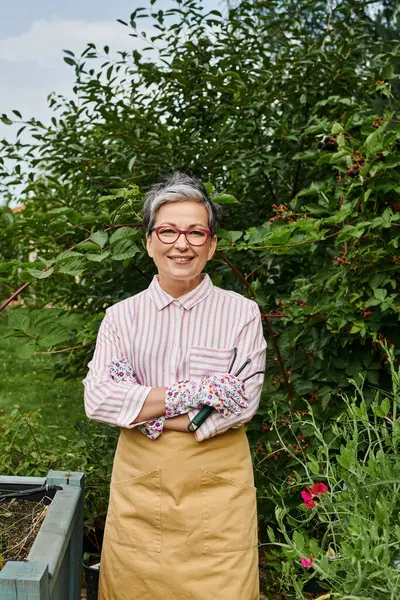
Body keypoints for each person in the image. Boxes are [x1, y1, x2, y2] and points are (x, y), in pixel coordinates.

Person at [83, 172, 267, 600]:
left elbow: (242, 404)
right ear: (149, 240)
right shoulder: (121, 317)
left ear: (212, 243)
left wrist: (145, 408)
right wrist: (198, 391)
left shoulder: (241, 314)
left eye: (195, 232)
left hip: (220, 494)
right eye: (167, 230)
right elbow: (99, 399)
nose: (180, 243)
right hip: (140, 495)